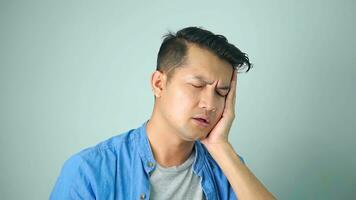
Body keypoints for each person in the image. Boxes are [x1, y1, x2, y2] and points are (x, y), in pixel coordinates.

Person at [50, 26, 276, 200]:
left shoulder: (226, 169)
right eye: (197, 85)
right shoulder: (89, 171)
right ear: (159, 83)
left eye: (221, 92)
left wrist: (221, 147)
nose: (210, 104)